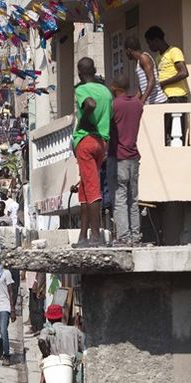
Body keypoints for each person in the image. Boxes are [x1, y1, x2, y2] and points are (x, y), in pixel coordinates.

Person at [72, 57, 113, 247]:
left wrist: (85, 120)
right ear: (94, 69)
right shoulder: (106, 91)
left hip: (86, 139)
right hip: (101, 142)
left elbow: (89, 104)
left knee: (92, 188)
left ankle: (95, 236)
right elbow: (110, 117)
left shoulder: (81, 90)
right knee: (85, 189)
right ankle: (82, 236)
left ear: (80, 72)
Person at [108, 76, 144, 245]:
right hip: (134, 157)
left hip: (118, 157)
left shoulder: (114, 105)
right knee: (133, 199)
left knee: (119, 198)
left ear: (114, 87)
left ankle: (123, 236)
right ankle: (135, 236)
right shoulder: (137, 104)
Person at [144, 25, 190, 145]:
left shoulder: (174, 51)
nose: (150, 47)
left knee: (176, 130)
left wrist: (162, 83)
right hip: (165, 98)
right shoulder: (158, 57)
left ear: (157, 40)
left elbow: (184, 72)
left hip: (177, 97)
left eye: (150, 43)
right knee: (166, 131)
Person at [38, 305, 84, 383]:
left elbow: (41, 341)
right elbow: (82, 346)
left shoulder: (47, 331)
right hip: (69, 371)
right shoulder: (74, 330)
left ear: (48, 318)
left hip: (53, 371)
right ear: (62, 317)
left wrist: (46, 355)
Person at [124, 36, 167, 106]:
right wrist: (133, 102)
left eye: (125, 51)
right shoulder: (138, 62)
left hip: (158, 102)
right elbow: (142, 87)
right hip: (151, 103)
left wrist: (142, 101)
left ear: (129, 50)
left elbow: (152, 81)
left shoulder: (144, 58)